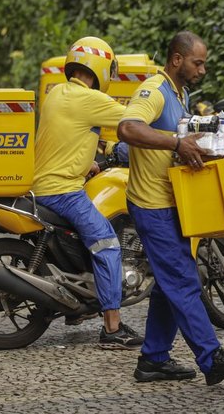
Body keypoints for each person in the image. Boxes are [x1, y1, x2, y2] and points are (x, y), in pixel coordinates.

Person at [117, 31, 224, 385]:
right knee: (182, 279)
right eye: (198, 62)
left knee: (169, 284)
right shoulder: (154, 91)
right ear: (177, 59)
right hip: (151, 205)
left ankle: (153, 359)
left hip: (171, 202)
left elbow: (176, 143)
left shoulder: (181, 94)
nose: (204, 69)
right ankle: (212, 360)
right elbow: (128, 128)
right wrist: (177, 143)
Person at [32, 36, 144, 350]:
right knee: (107, 245)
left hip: (43, 185)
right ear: (101, 67)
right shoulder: (89, 99)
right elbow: (134, 122)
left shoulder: (57, 94)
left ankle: (76, 308)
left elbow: (68, 136)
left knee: (87, 239)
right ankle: (112, 328)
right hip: (63, 191)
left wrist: (89, 163)